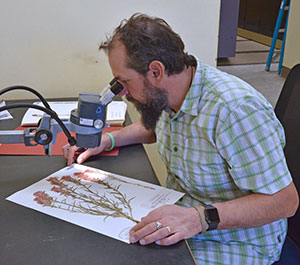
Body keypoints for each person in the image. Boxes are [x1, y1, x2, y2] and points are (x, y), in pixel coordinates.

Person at [63, 13, 299, 264]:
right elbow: (156, 127)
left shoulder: (234, 111)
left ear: (156, 71)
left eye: (125, 82)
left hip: (236, 239)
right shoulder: (173, 92)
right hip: (182, 215)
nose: (123, 93)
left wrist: (199, 218)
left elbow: (284, 202)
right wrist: (109, 140)